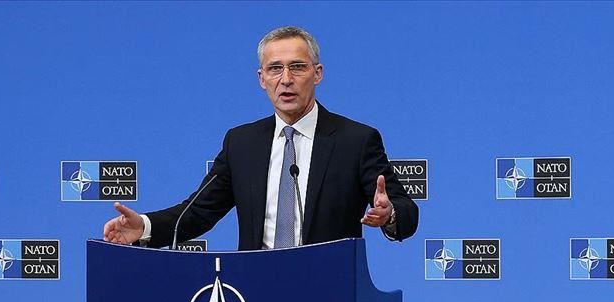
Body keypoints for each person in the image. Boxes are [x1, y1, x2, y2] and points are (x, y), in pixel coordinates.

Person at [103, 26, 418, 250]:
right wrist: (144, 227)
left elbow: (406, 210)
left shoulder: (356, 140)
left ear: (318, 73)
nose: (286, 79)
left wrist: (389, 214)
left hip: (331, 291)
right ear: (261, 79)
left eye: (297, 67)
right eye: (275, 69)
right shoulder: (242, 143)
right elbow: (197, 213)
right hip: (254, 293)